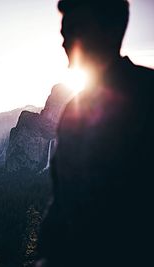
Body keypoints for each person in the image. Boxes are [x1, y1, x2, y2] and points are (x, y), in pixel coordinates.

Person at [37, 0, 154, 266]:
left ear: (111, 30)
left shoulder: (148, 97)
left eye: (74, 29)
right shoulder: (74, 110)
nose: (64, 41)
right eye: (64, 32)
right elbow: (62, 200)